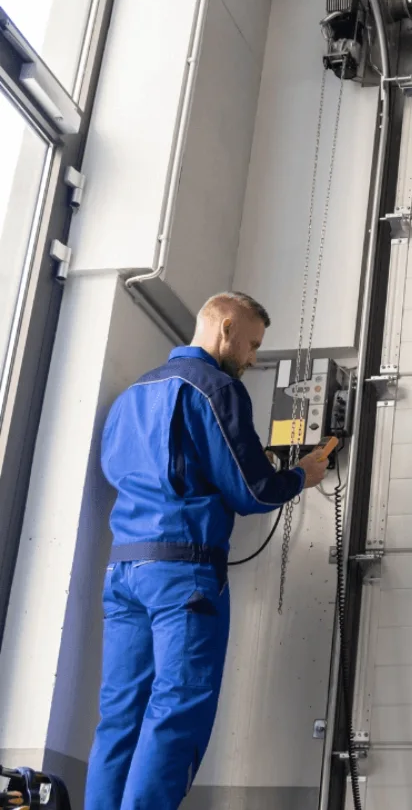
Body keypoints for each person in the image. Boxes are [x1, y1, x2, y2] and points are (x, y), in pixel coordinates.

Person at [84, 292, 330, 809]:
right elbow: (254, 491)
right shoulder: (216, 389)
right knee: (177, 711)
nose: (253, 358)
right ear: (226, 327)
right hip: (184, 578)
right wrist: (300, 475)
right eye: (252, 344)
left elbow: (126, 470)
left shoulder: (132, 396)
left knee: (120, 713)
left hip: (124, 570)